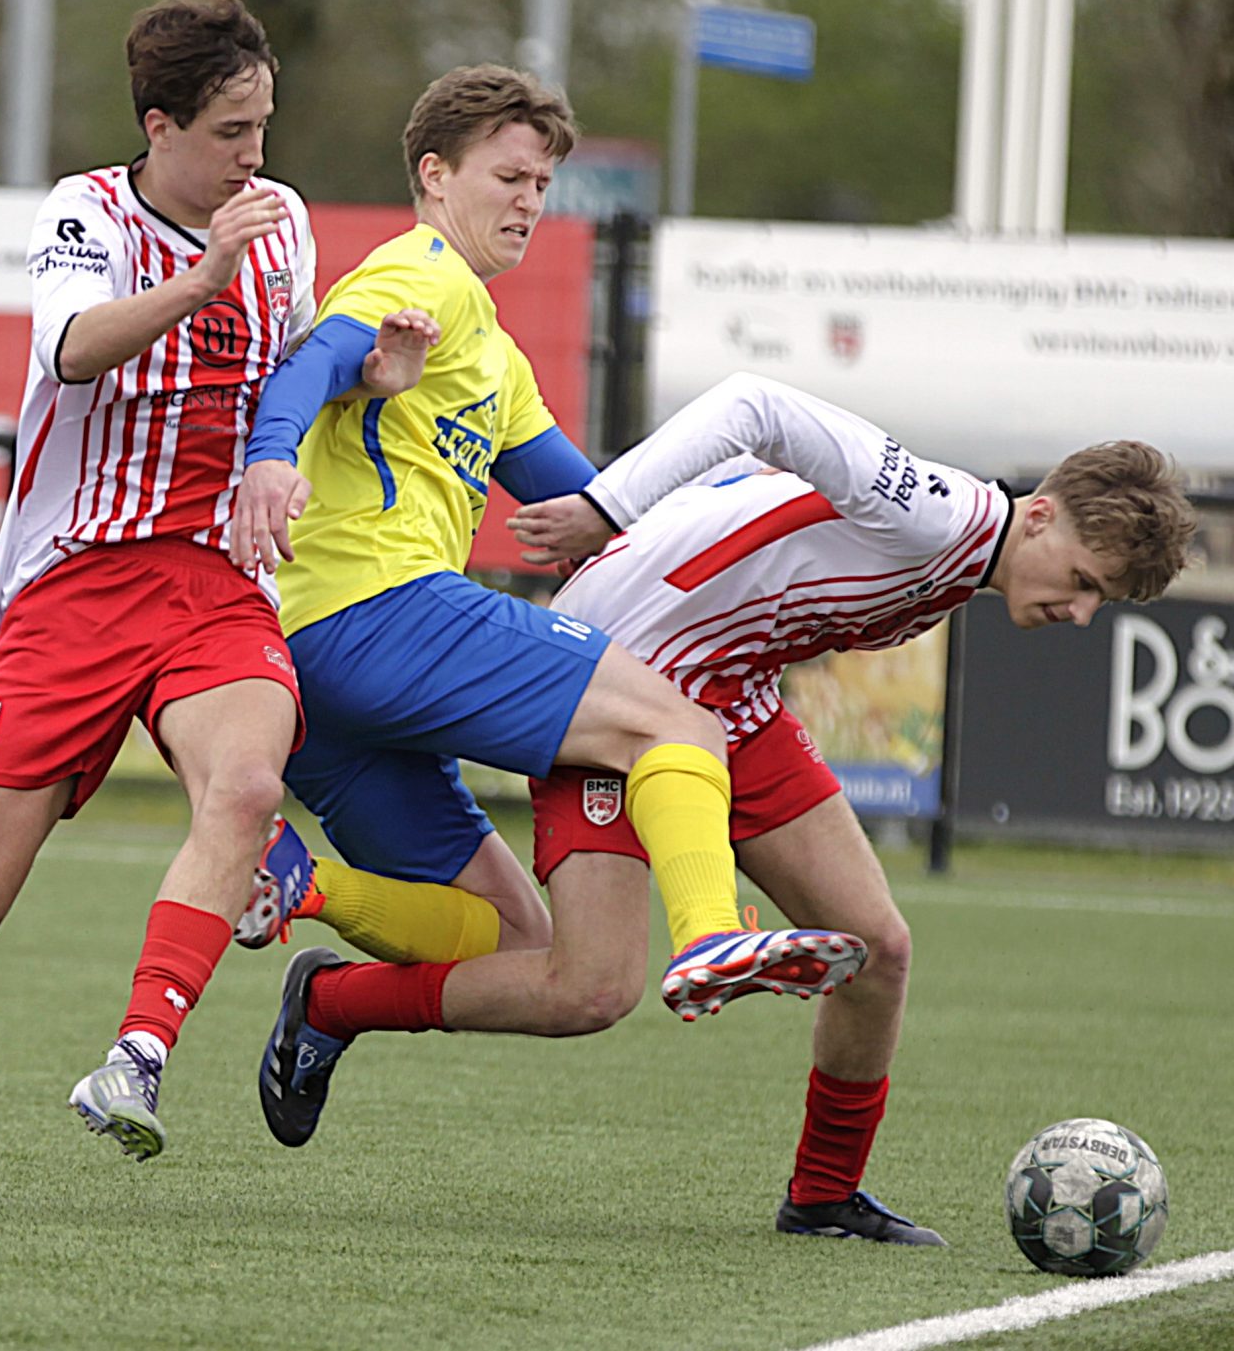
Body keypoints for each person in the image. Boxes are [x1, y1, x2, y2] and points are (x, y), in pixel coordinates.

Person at [0, 0, 428, 1187]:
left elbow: (284, 378)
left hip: (212, 582)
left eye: (262, 125)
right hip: (75, 588)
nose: (253, 154)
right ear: (158, 127)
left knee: (250, 781)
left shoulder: (283, 220)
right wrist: (205, 276)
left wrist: (368, 374)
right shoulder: (85, 211)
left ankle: (138, 1054)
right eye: (226, 131)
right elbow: (69, 347)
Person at [255, 371, 1197, 1245]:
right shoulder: (937, 509)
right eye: (1082, 580)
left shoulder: (965, 555)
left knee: (880, 948)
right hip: (617, 691)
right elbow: (758, 407)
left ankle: (824, 1194)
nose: (1079, 611)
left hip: (727, 698)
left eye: (1100, 601)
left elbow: (754, 507)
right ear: (1040, 516)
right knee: (590, 988)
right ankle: (334, 1001)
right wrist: (605, 506)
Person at [227, 65, 847, 1145]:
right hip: (375, 611)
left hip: (322, 678)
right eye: (508, 176)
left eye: (543, 184)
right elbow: (314, 360)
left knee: (514, 945)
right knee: (676, 722)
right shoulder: (418, 272)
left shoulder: (492, 354)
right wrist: (271, 459)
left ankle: (305, 890)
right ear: (433, 174)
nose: (529, 200)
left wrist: (766, 539)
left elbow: (600, 504)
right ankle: (712, 933)